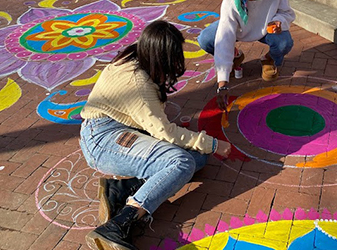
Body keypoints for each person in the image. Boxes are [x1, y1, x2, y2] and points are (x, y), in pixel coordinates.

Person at [79, 20, 231, 250]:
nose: (177, 62)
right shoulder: (138, 83)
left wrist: (199, 145)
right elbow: (165, 132)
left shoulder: (138, 57)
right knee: (181, 163)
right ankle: (120, 224)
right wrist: (211, 143)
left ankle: (120, 190)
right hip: (103, 139)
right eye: (174, 57)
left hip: (121, 128)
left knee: (197, 158)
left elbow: (157, 124)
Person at [197, 0, 295, 111]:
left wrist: (279, 22)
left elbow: (286, 12)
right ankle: (235, 55)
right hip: (238, 28)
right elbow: (225, 32)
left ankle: (268, 59)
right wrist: (222, 83)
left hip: (266, 27)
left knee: (284, 43)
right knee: (206, 39)